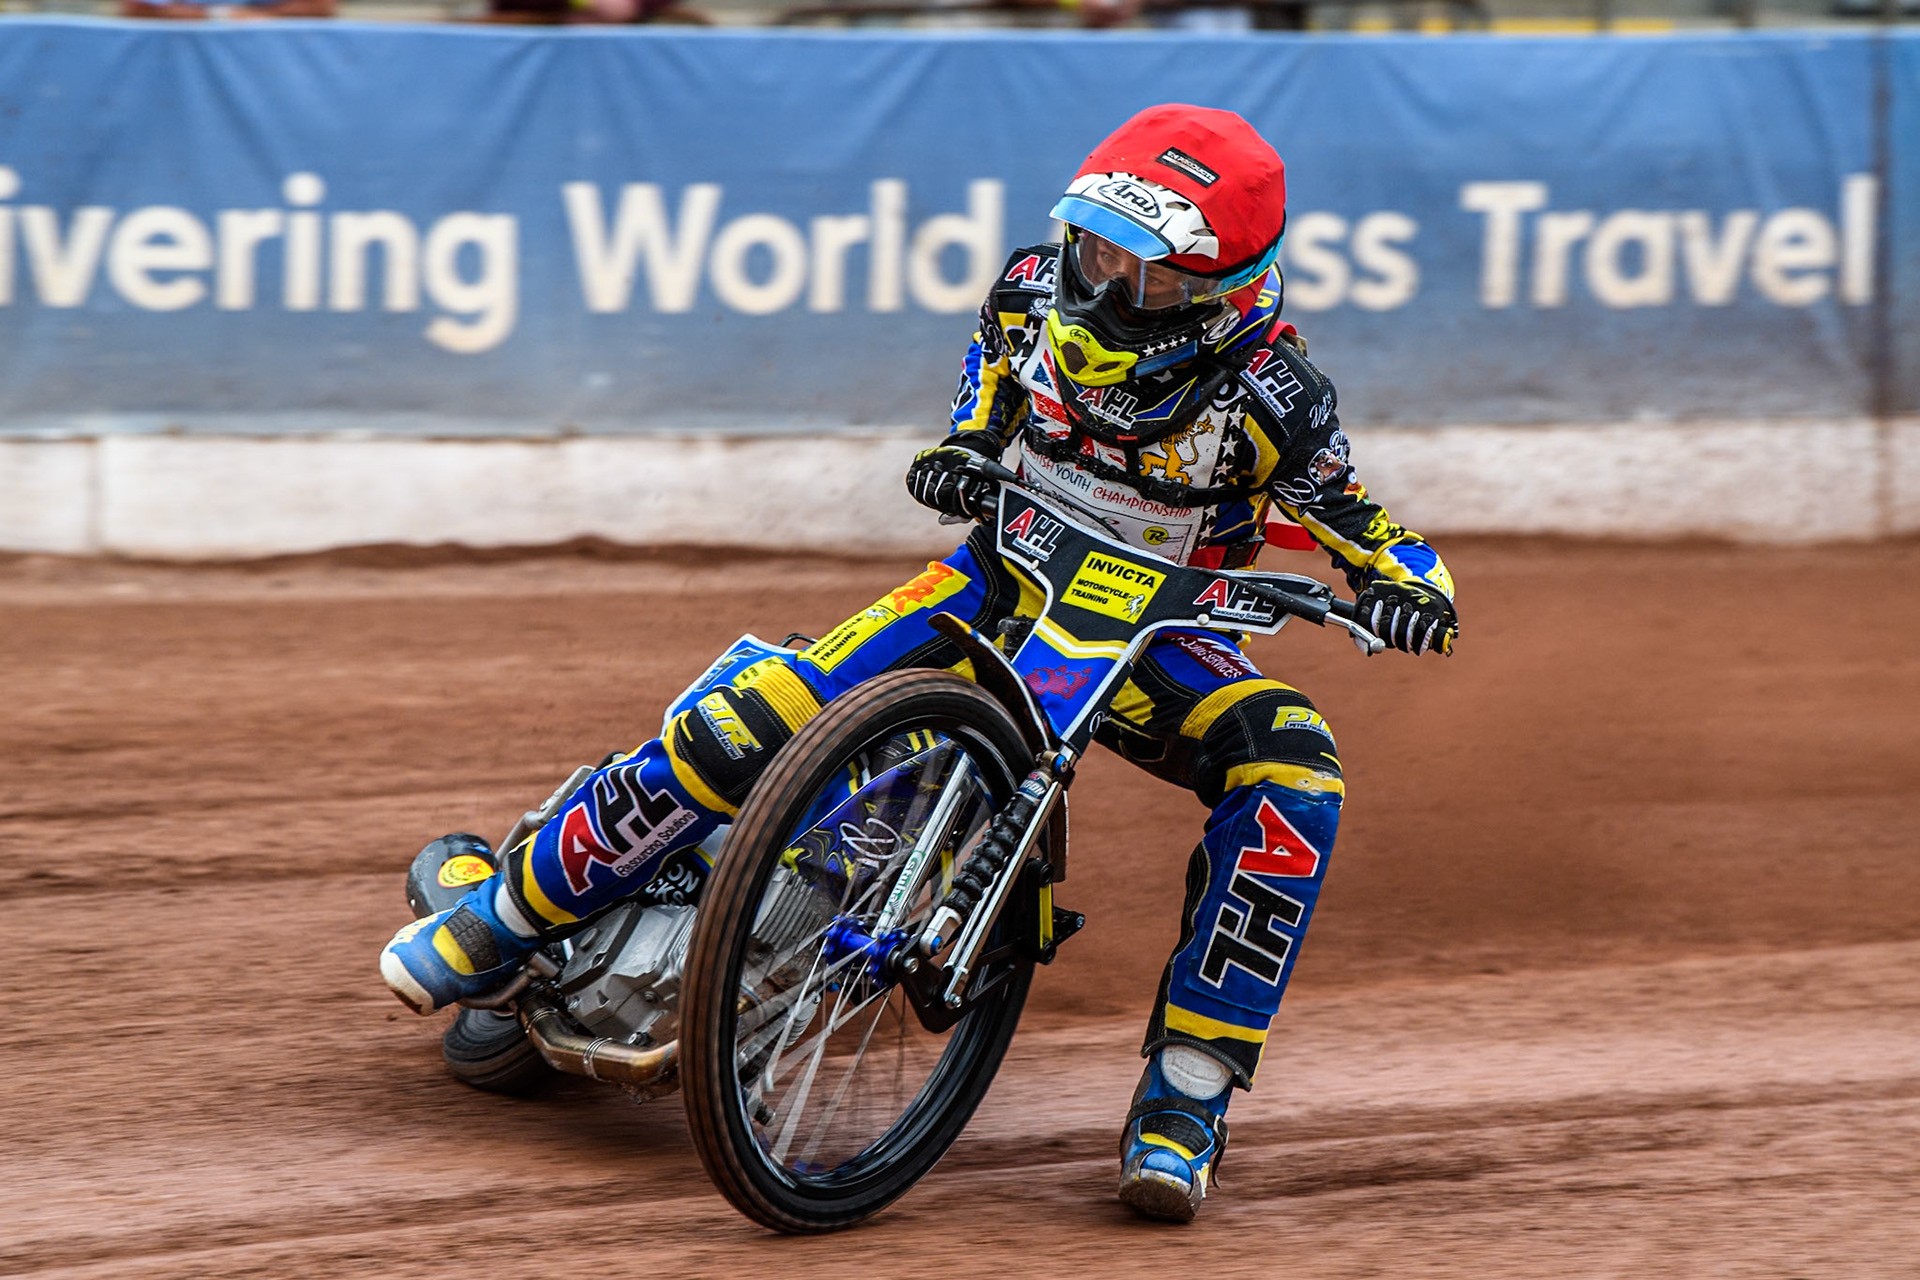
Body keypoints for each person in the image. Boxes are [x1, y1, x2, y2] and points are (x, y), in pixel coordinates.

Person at [380, 103, 1457, 1223]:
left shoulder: (1279, 402)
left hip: (1156, 642)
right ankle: (505, 914)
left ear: (1225, 296)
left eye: (1141, 273)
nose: (1100, 282)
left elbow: (1370, 526)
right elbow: (981, 405)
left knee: (1298, 772)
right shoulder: (1029, 291)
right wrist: (960, 455)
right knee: (758, 709)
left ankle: (1188, 1094)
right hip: (992, 584)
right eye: (1095, 247)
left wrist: (1414, 584)